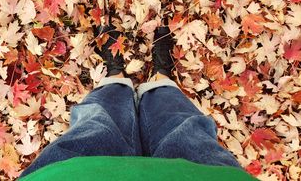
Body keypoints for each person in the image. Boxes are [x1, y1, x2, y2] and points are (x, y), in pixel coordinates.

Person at [18, 26, 256, 181]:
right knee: (184, 127)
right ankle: (161, 77)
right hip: (203, 175)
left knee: (98, 122)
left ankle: (116, 76)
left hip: (75, 173)